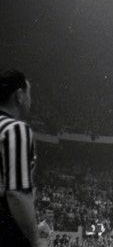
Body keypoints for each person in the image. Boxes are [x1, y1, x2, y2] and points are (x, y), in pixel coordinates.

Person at [0, 69, 43, 247]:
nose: (30, 100)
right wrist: (35, 239)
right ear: (19, 96)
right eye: (29, 93)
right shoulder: (14, 129)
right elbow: (16, 193)